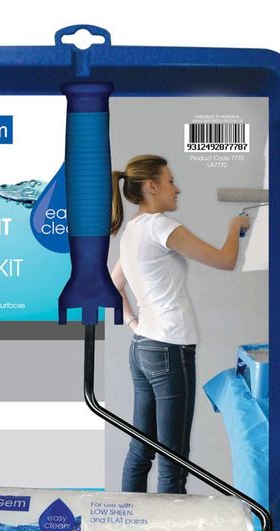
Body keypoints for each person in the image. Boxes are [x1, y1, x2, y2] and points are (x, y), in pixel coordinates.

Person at [110, 155, 250, 494]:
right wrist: (235, 228)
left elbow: (113, 285)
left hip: (143, 347)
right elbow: (225, 260)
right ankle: (167, 530)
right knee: (173, 459)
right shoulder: (159, 226)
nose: (177, 189)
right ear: (151, 186)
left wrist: (134, 323)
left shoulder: (132, 231)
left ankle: (132, 524)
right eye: (170, 181)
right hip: (170, 349)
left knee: (141, 449)